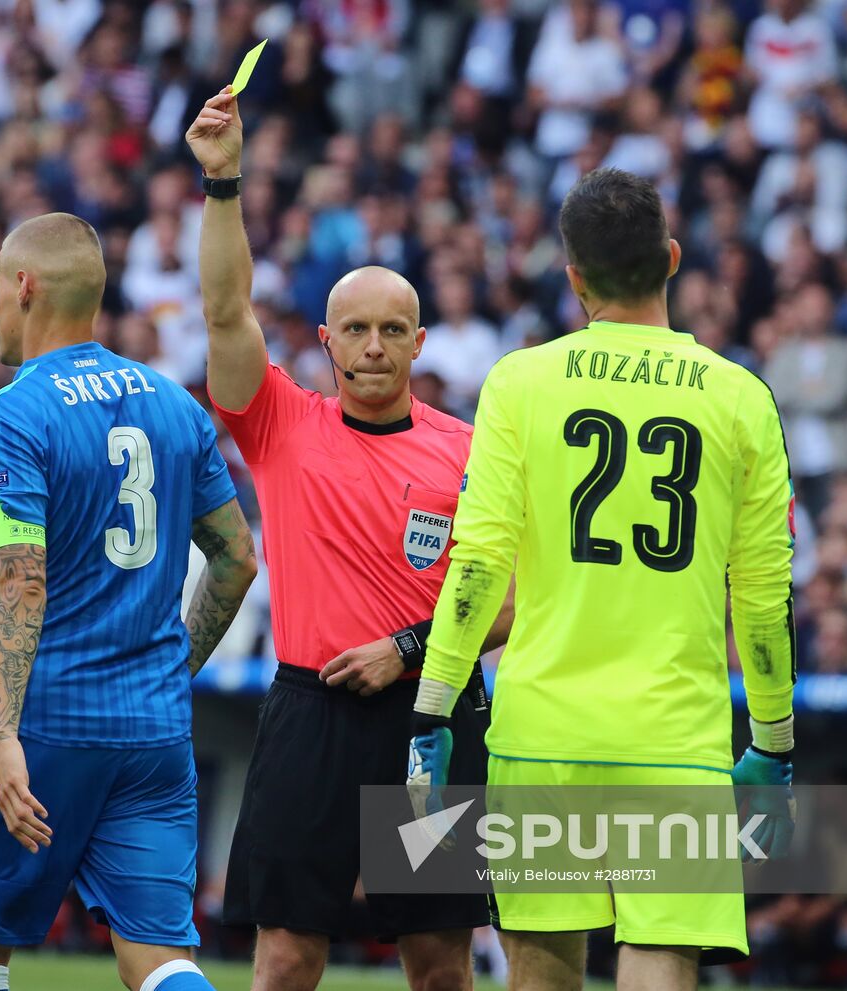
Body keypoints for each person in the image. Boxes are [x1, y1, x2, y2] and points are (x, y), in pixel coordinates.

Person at [406, 167, 797, 991]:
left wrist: (432, 710)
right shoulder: (742, 398)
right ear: (674, 259)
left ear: (574, 276)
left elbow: (476, 566)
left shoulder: (522, 381)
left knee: (544, 964)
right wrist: (772, 741)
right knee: (660, 957)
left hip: (542, 729)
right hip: (675, 738)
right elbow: (762, 598)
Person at [186, 88, 512, 991]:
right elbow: (224, 313)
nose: (374, 346)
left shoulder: (471, 448)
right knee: (287, 953)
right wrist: (223, 183)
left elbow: (515, 601)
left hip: (434, 718)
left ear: (419, 342)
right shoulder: (282, 424)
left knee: (439, 961)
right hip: (311, 713)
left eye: (392, 330)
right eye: (357, 330)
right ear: (327, 341)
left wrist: (405, 649)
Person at [0, 212, 257, 991]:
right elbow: (236, 560)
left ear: (24, 286)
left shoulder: (8, 413)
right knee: (158, 956)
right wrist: (171, 672)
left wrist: (4, 730)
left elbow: (19, 575)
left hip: (43, 721)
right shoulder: (174, 403)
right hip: (151, 729)